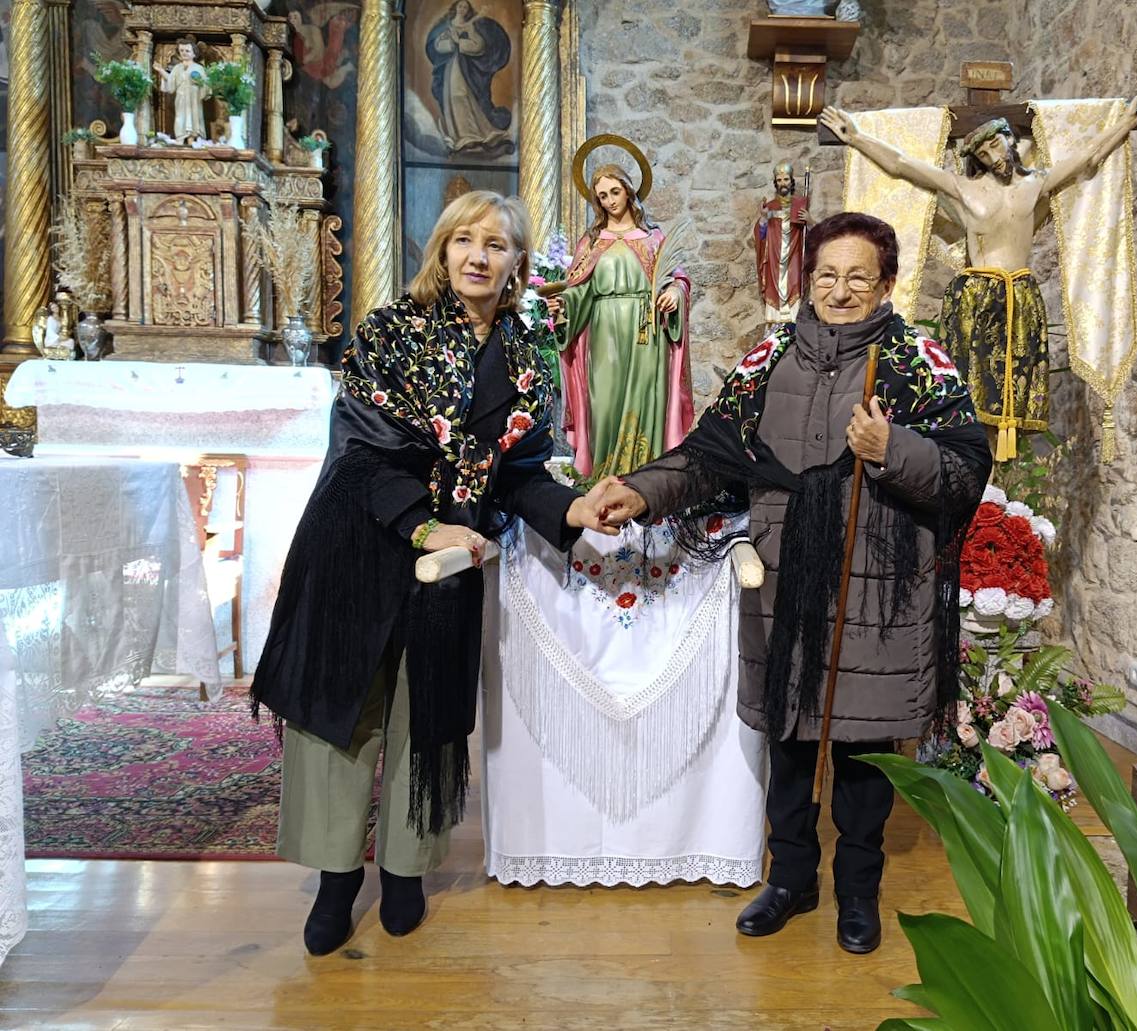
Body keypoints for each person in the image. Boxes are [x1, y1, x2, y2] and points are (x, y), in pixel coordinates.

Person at [593, 213, 993, 953]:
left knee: (866, 755)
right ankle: (792, 878)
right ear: (807, 280)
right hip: (782, 580)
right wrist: (642, 492)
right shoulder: (766, 357)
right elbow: (710, 454)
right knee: (790, 741)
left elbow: (967, 470)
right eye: (827, 276)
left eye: (858, 277)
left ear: (887, 285)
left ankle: (858, 894)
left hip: (879, 595)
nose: (841, 291)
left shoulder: (917, 360)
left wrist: (891, 447)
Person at [251, 191, 616, 956]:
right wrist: (424, 521)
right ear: (442, 251)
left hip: (447, 563)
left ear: (518, 263)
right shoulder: (390, 331)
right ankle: (337, 877)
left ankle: (408, 867)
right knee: (341, 714)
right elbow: (360, 451)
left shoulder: (527, 354)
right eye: (464, 240)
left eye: (497, 244)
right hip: (359, 539)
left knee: (427, 712)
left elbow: (518, 471)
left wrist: (571, 511)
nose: (479, 255)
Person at [820, 96, 1137, 460]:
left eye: (997, 143)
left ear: (1011, 140)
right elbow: (902, 165)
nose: (994, 155)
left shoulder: (1036, 184)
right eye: (984, 151)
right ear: (976, 159)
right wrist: (855, 137)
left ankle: (996, 486)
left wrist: (1124, 125)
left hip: (1019, 296)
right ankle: (967, 472)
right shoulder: (963, 189)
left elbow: (1086, 160)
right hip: (975, 298)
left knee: (1009, 398)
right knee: (968, 394)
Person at [551, 163, 693, 481]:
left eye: (615, 192)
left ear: (628, 192)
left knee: (647, 402)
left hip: (647, 332)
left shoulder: (653, 238)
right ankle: (602, 478)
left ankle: (646, 479)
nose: (610, 201)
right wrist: (563, 307)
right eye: (602, 196)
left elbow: (679, 279)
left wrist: (674, 292)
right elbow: (578, 292)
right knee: (603, 403)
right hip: (603, 334)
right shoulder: (590, 244)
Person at [426, 0, 512, 154]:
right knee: (452, 98)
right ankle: (458, 136)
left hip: (465, 69)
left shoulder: (470, 26)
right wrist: (450, 42)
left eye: (465, 7)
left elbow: (478, 45)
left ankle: (472, 134)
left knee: (463, 95)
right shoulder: (447, 26)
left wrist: (459, 41)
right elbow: (438, 46)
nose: (462, 9)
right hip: (451, 67)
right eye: (460, 6)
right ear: (455, 8)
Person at [754, 161, 809, 323]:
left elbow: (809, 236)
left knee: (794, 285)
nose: (782, 183)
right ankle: (774, 326)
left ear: (791, 181)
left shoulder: (799, 205)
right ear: (775, 183)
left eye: (786, 179)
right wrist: (763, 218)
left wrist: (809, 220)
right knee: (774, 286)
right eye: (779, 180)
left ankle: (794, 324)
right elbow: (761, 236)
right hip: (774, 258)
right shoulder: (769, 207)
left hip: (794, 256)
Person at [152, 38, 210, 143]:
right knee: (180, 117)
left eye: (187, 51)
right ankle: (180, 138)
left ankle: (192, 139)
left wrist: (200, 83)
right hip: (181, 97)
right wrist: (160, 70)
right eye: (182, 51)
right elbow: (170, 81)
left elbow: (206, 84)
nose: (184, 53)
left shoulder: (198, 68)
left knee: (194, 118)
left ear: (194, 54)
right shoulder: (177, 68)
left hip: (194, 98)